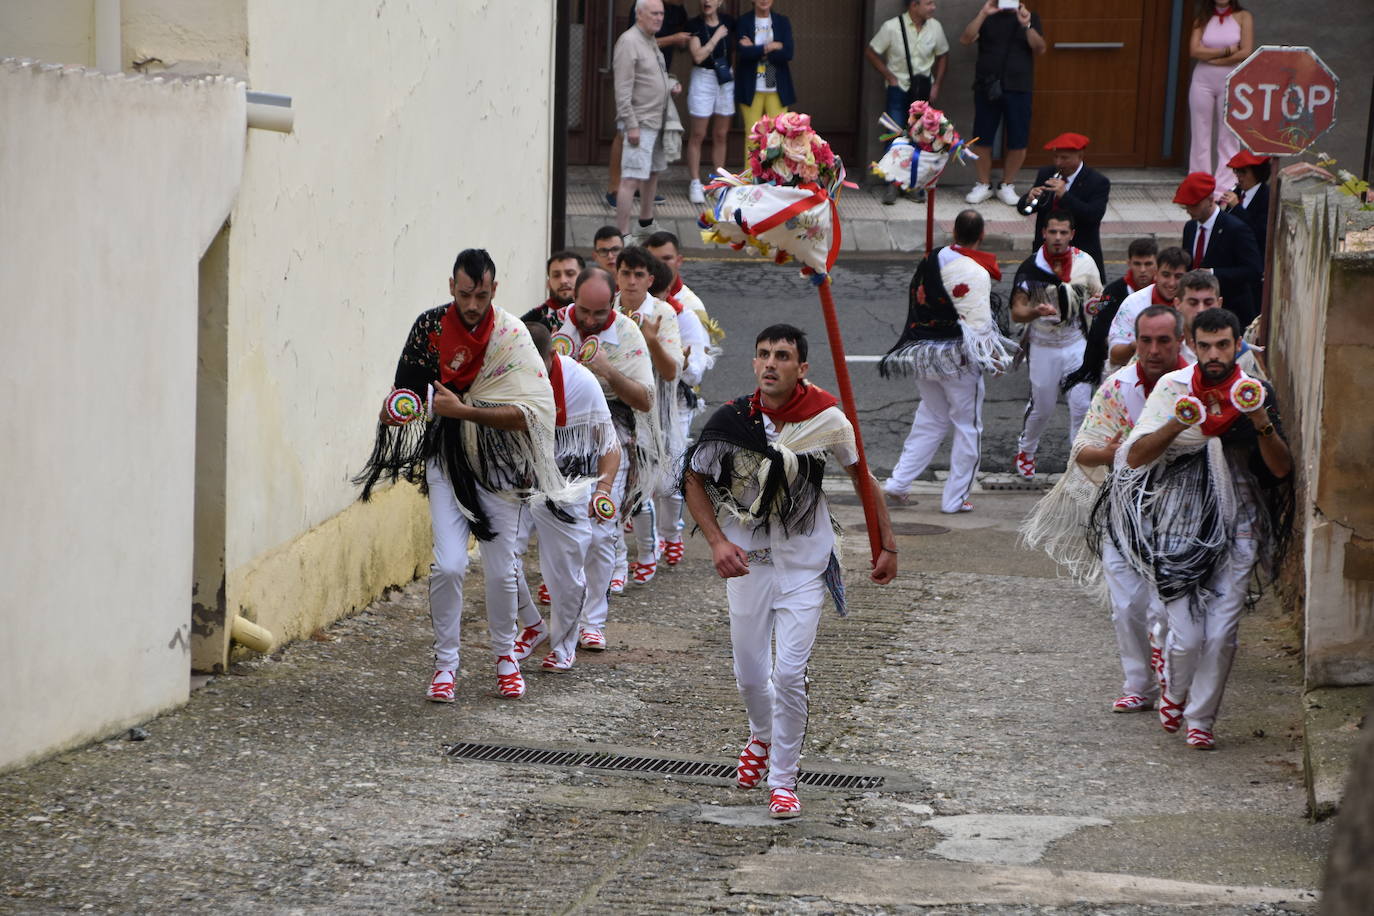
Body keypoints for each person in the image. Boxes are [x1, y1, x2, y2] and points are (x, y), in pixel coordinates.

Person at [683, 324, 898, 819]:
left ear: (802, 368)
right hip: (748, 566)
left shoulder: (826, 419)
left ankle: (783, 779)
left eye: (782, 356)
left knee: (787, 674)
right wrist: (717, 542)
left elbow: (862, 477)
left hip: (804, 565)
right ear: (753, 363)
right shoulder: (733, 419)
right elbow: (692, 478)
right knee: (750, 677)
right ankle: (761, 735)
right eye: (763, 354)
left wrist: (887, 544)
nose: (770, 363)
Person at [354, 249, 571, 703]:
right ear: (451, 286)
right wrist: (396, 410)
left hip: (501, 464)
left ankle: (506, 658)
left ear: (495, 290)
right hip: (446, 458)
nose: (473, 304)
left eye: (482, 295)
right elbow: (409, 390)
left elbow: (533, 415)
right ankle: (445, 666)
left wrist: (465, 410)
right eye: (466, 294)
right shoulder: (429, 327)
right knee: (449, 564)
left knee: (502, 569)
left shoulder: (512, 336)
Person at [1113, 307, 1291, 750]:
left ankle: (1201, 720)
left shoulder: (1254, 392)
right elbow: (1135, 456)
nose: (1214, 355)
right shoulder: (1173, 388)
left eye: (1223, 345)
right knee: (1187, 634)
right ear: (1192, 344)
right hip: (1180, 513)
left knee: (1223, 629)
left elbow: (1281, 469)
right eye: (1205, 346)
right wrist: (1180, 421)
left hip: (1241, 514)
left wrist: (1260, 421)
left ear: (1237, 345)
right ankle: (1174, 691)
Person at [1022, 305, 1188, 712]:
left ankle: (1174, 684)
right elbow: (1083, 449)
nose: (1153, 350)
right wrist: (1111, 453)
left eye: (1163, 340)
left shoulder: (1194, 386)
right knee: (1127, 606)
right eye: (1145, 340)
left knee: (1167, 606)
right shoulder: (1118, 386)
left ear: (1180, 342)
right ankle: (1139, 684)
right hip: (1121, 507)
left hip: (1182, 508)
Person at [879, 209, 1016, 512]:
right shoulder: (975, 272)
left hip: (925, 353)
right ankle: (955, 498)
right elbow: (980, 325)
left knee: (930, 419)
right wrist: (993, 358)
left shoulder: (933, 257)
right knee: (968, 427)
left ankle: (899, 483)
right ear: (982, 235)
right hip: (958, 359)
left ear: (954, 233)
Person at [550, 267, 657, 647]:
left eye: (600, 313)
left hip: (612, 434)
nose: (591, 320)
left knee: (600, 531)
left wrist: (609, 372)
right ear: (573, 299)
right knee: (559, 534)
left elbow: (646, 399)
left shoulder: (627, 333)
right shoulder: (551, 323)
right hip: (559, 436)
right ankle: (562, 614)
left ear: (613, 302)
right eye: (584, 311)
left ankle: (592, 621)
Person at [510, 322, 622, 672]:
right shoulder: (504, 376)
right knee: (502, 558)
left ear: (551, 356)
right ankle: (532, 625)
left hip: (568, 482)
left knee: (565, 574)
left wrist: (602, 491)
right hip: (518, 478)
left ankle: (563, 645)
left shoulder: (581, 383)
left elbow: (610, 446)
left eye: (537, 368)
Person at [1010, 210, 1103, 480]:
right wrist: (1034, 312)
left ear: (1072, 234)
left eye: (1063, 232)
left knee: (1081, 404)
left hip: (1076, 343)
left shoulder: (1085, 262)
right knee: (1043, 407)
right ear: (1044, 233)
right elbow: (1017, 312)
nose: (1058, 238)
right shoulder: (1031, 267)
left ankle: (1078, 458)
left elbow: (1101, 296)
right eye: (1053, 232)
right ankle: (1026, 450)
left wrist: (1095, 306)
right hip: (1043, 346)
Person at [645, 231, 719, 566]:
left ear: (678, 260)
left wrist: (683, 364)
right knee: (643, 474)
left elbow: (696, 372)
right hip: (641, 401)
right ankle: (649, 544)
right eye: (652, 261)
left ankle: (671, 533)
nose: (658, 267)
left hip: (677, 403)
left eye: (665, 259)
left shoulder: (689, 309)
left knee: (669, 475)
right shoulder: (633, 304)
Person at [614, 246, 684, 586]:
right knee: (612, 490)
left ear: (649, 279)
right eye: (625, 273)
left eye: (638, 275)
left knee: (643, 488)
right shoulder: (607, 308)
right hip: (611, 411)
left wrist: (652, 342)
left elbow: (671, 372)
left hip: (649, 413)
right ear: (616, 275)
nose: (631, 281)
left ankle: (647, 551)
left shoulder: (662, 312)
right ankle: (615, 564)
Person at [960, 1, 1046, 207]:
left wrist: (1026, 24)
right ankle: (983, 184)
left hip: (1019, 86)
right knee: (981, 138)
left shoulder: (1030, 17)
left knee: (1018, 139)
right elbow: (966, 39)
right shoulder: (986, 16)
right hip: (987, 85)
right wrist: (983, 13)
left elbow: (1040, 48)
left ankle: (1007, 184)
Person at [865, 0, 949, 206]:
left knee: (921, 138)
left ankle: (913, 185)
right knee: (894, 136)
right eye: (928, 3)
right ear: (914, 5)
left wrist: (937, 84)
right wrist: (889, 76)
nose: (933, 7)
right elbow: (871, 52)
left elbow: (943, 55)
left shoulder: (935, 27)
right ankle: (892, 184)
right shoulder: (891, 26)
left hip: (923, 90)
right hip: (898, 89)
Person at [613, 0, 683, 241]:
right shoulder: (629, 42)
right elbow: (622, 89)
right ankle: (623, 234)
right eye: (654, 13)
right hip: (640, 122)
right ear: (639, 14)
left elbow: (653, 77)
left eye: (661, 13)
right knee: (630, 178)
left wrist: (670, 85)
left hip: (657, 119)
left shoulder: (651, 40)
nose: (659, 18)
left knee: (653, 173)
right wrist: (631, 124)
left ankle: (645, 221)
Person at [1062, 238, 1157, 394]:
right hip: (1119, 367)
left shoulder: (1165, 292)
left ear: (1157, 264)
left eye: (1148, 264)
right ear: (1129, 263)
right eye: (1137, 264)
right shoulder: (1111, 292)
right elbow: (1099, 326)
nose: (1142, 270)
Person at [1016, 132, 1110, 279]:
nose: (1058, 163)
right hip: (1046, 252)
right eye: (1055, 157)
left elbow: (1093, 215)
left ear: (1080, 156)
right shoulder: (1046, 173)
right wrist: (1029, 199)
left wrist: (1065, 196)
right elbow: (1025, 209)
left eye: (1064, 158)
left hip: (1080, 254)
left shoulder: (1097, 181)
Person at [1177, 171, 1262, 328]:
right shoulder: (1190, 227)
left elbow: (1254, 270)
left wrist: (1212, 273)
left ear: (1210, 200)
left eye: (1194, 205)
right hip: (1196, 313)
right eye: (1186, 206)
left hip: (1231, 313)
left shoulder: (1236, 229)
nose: (1189, 210)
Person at [1187, 0, 1254, 191]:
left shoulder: (1244, 17)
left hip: (1231, 80)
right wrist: (1226, 51)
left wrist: (1215, 60)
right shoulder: (1202, 18)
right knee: (1200, 132)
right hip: (1203, 80)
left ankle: (1226, 186)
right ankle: (1199, 184)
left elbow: (1245, 51)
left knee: (1229, 134)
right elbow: (1194, 50)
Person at [685, 0, 736, 205]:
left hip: (725, 77)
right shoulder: (694, 24)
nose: (707, 1)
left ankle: (719, 181)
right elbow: (698, 56)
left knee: (721, 134)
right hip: (703, 77)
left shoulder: (729, 21)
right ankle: (695, 181)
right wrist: (716, 37)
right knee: (698, 133)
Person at [1107, 246, 1191, 370]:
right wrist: (1136, 346)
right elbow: (1114, 355)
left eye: (1178, 276)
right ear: (1156, 274)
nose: (1172, 283)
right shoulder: (1133, 303)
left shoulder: (1196, 305)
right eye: (1166, 275)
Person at [735, 0, 795, 150]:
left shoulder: (781, 21)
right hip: (751, 84)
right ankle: (751, 167)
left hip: (773, 78)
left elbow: (788, 53)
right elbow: (744, 53)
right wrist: (772, 46)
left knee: (777, 136)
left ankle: (774, 167)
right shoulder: (744, 21)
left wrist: (756, 49)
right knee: (752, 136)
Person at [1221, 149, 1272, 258]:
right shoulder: (1236, 191)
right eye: (1237, 171)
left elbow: (1260, 232)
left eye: (1243, 172)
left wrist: (1237, 208)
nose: (1238, 176)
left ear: (1257, 173)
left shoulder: (1267, 196)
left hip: (1252, 256)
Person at [522, 251, 585, 334]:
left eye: (570, 274)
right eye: (556, 275)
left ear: (585, 279)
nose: (563, 281)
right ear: (548, 283)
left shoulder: (598, 312)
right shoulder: (531, 321)